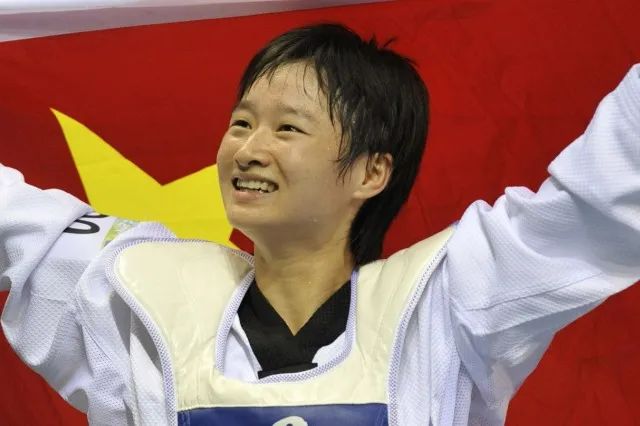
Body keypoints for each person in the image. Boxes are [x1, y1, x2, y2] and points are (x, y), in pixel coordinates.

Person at [1, 23, 639, 426]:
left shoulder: (446, 305)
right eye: (241, 122)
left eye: (288, 128)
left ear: (371, 171)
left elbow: (601, 201)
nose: (248, 149)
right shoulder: (135, 293)